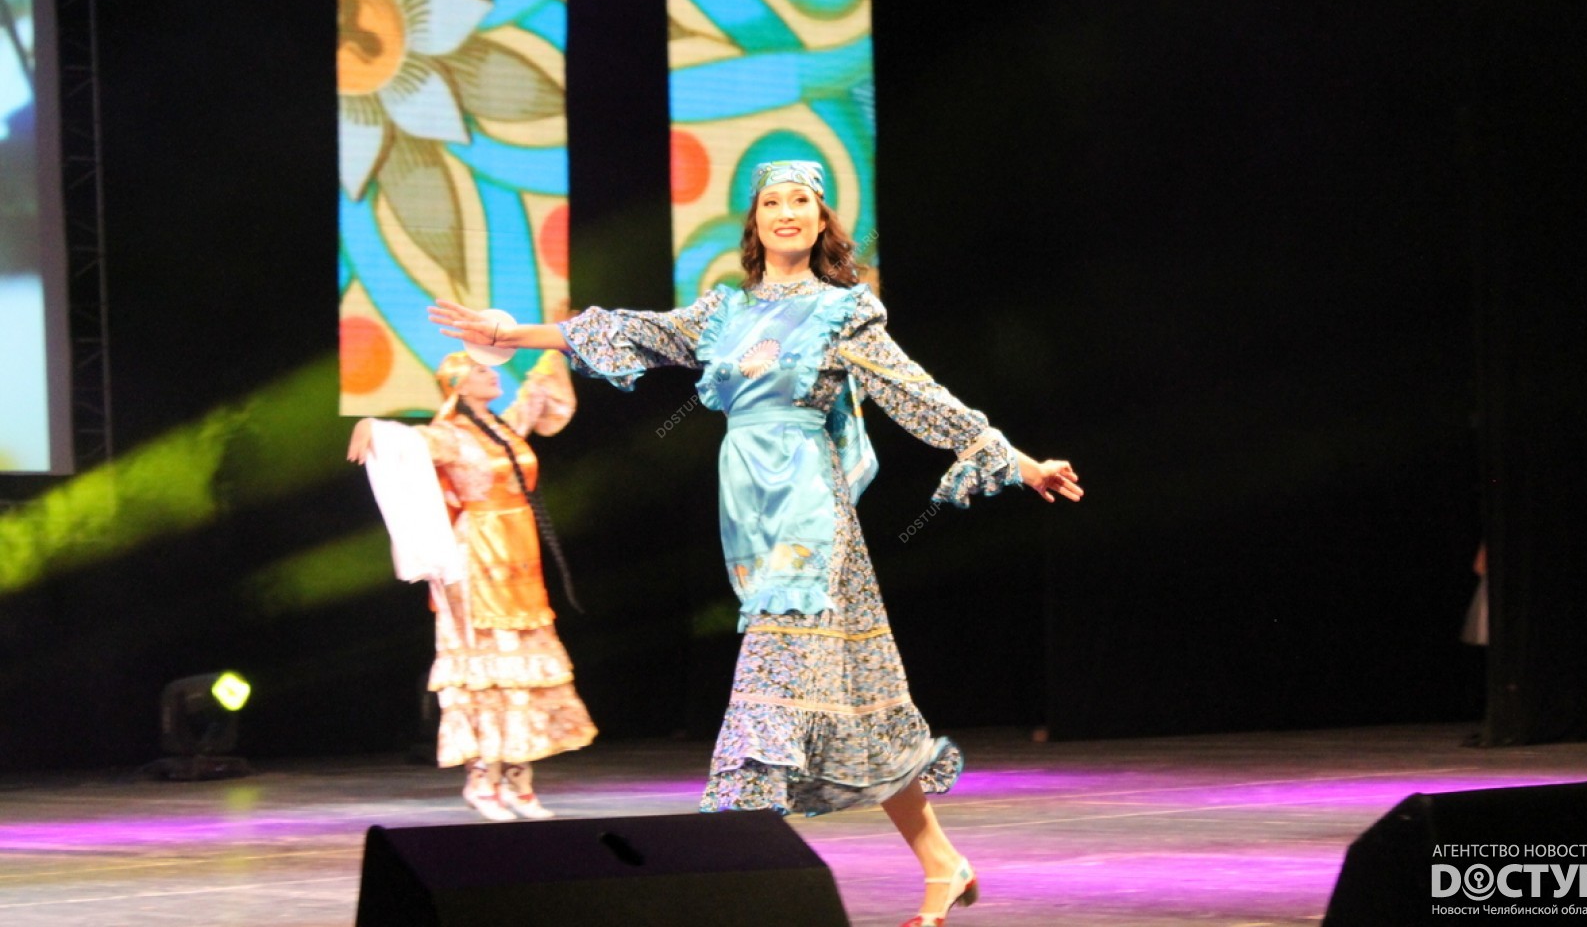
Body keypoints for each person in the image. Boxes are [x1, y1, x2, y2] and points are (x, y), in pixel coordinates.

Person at [430, 160, 1081, 924]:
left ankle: (722, 886)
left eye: (801, 200)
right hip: (749, 511)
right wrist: (511, 333)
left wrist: (1019, 462)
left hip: (810, 511)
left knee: (767, 682)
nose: (786, 211)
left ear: (821, 219)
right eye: (772, 201)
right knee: (859, 697)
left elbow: (919, 394)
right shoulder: (726, 312)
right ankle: (943, 864)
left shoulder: (844, 312)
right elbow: (636, 332)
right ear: (756, 223)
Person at [347, 350, 597, 821]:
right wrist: (370, 426)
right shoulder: (450, 435)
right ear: (459, 384)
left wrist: (558, 342)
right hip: (476, 556)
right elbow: (407, 443)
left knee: (522, 670)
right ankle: (482, 780)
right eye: (481, 370)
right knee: (485, 668)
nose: (492, 374)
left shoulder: (504, 428)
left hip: (519, 555)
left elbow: (539, 390)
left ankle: (519, 781)